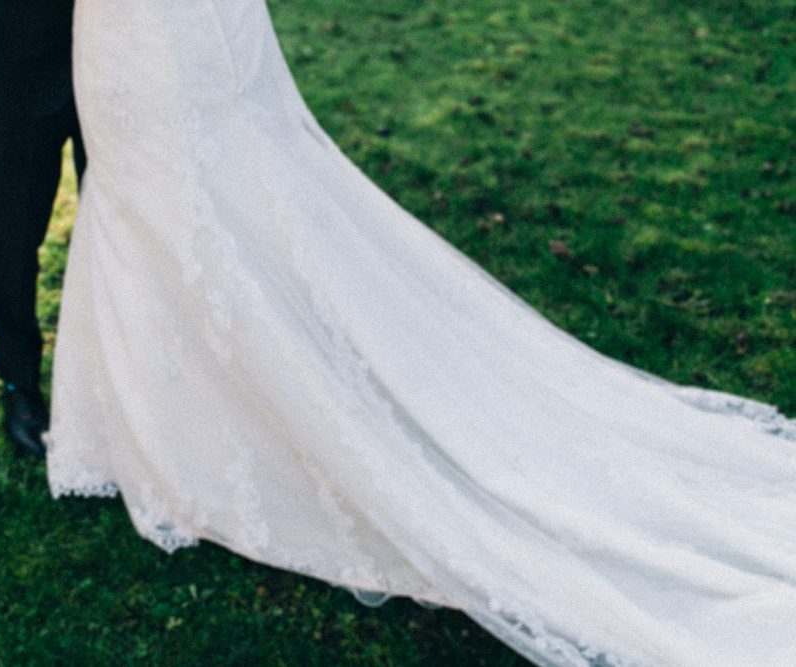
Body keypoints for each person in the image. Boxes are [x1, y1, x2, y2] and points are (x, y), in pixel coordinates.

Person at [44, 2, 796, 665]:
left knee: (188, 204)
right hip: (154, 32)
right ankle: (180, 422)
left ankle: (208, 433)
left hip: (157, 33)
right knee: (167, 202)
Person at [0, 0, 85, 459]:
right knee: (9, 234)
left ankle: (122, 374)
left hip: (116, 55)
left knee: (122, 226)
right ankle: (19, 382)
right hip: (8, 52)